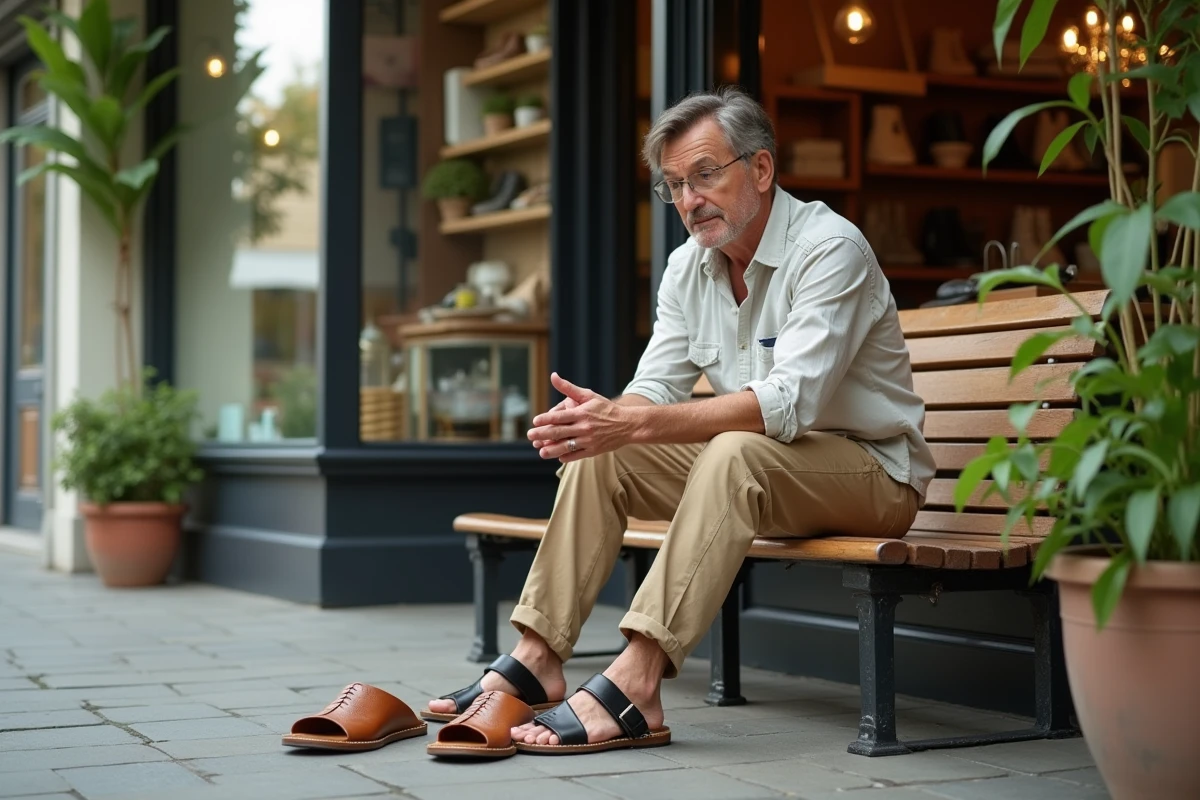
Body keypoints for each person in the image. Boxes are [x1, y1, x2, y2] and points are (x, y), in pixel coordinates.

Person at [424, 86, 936, 754]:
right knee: (603, 451)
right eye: (673, 185)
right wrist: (602, 421)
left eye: (703, 174)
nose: (689, 200)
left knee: (732, 452)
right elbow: (654, 388)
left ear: (759, 169)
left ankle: (637, 681)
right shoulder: (687, 269)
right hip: (768, 470)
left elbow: (787, 402)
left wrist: (634, 424)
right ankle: (538, 656)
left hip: (872, 475)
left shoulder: (828, 249)